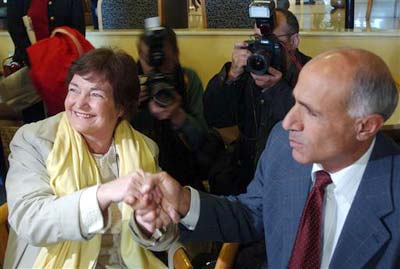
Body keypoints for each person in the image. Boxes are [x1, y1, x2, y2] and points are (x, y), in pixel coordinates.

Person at [132, 48, 400, 268]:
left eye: (311, 112)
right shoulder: (285, 148)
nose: (288, 122)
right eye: (295, 102)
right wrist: (183, 201)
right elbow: (253, 214)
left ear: (365, 126)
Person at [4, 48, 176, 269]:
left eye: (95, 94)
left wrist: (146, 225)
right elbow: (31, 221)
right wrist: (102, 194)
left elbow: (164, 238)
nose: (79, 103)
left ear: (121, 107)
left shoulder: (143, 149)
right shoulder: (33, 141)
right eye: (74, 90)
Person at [204, 8, 310, 195]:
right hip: (245, 167)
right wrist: (231, 75)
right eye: (257, 39)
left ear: (293, 41)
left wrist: (276, 90)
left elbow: (309, 127)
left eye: (271, 41)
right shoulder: (247, 70)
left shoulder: (312, 73)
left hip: (292, 169)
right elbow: (214, 117)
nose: (263, 47)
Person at [131, 27, 208, 190]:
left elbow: (203, 142)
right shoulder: (130, 82)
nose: (157, 69)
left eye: (164, 61)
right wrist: (127, 105)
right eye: (149, 61)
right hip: (138, 174)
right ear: (139, 56)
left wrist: (178, 116)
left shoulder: (187, 80)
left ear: (176, 54)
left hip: (183, 173)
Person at [7, 0, 85, 65]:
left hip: (65, 64)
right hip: (31, 64)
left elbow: (78, 32)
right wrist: (32, 58)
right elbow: (15, 29)